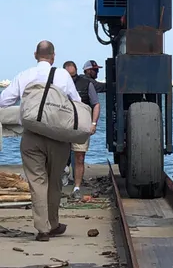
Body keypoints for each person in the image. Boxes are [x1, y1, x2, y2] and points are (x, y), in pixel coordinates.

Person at [0, 41, 82, 241]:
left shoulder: (24, 75)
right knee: (55, 182)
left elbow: (4, 101)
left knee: (37, 181)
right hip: (58, 137)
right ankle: (53, 224)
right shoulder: (62, 75)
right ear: (53, 56)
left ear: (35, 55)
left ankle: (42, 229)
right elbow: (77, 102)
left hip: (31, 136)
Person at [67, 61, 100, 198]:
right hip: (63, 125)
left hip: (81, 125)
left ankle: (76, 186)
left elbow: (96, 104)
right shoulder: (58, 84)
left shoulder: (87, 84)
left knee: (79, 156)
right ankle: (62, 177)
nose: (96, 72)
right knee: (59, 155)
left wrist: (93, 123)